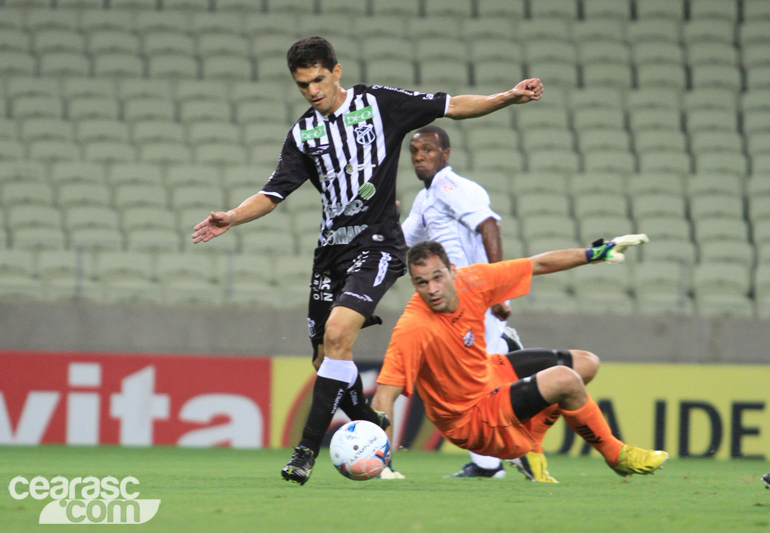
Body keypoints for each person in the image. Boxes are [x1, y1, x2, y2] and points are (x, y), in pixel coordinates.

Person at [192, 36, 544, 486]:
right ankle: (371, 424)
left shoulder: (379, 104)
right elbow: (274, 192)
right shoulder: (304, 133)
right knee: (325, 361)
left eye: (318, 79)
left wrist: (508, 97)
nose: (313, 91)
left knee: (340, 333)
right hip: (330, 253)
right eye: (303, 85)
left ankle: (305, 454)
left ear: (336, 71)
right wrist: (232, 217)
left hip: (378, 244)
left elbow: (452, 105)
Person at [372, 237, 670, 479]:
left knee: (586, 363)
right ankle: (617, 455)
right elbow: (385, 395)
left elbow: (537, 263)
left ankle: (532, 447)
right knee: (565, 380)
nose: (433, 289)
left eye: (438, 277)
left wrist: (595, 253)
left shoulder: (473, 281)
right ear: (414, 285)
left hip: (489, 375)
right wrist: (382, 465)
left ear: (452, 270)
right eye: (422, 282)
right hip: (470, 417)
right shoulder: (413, 327)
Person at [400, 125, 601, 482]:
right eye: (414, 152)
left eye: (428, 150)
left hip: (473, 299)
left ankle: (496, 460)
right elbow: (404, 240)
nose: (420, 157)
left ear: (446, 154)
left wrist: (499, 292)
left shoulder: (452, 187)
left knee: (479, 387)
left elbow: (488, 226)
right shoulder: (426, 199)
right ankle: (499, 456)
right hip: (455, 304)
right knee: (476, 384)